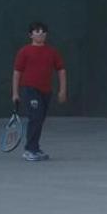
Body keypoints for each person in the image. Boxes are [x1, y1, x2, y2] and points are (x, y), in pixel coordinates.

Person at [12, 21, 67, 161]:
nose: (41, 34)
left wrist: (62, 90)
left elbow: (61, 70)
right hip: (30, 90)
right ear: (30, 35)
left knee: (40, 120)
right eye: (37, 31)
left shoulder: (52, 52)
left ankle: (35, 148)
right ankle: (29, 150)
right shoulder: (24, 51)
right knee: (35, 118)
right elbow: (17, 73)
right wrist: (15, 93)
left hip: (46, 91)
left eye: (43, 32)